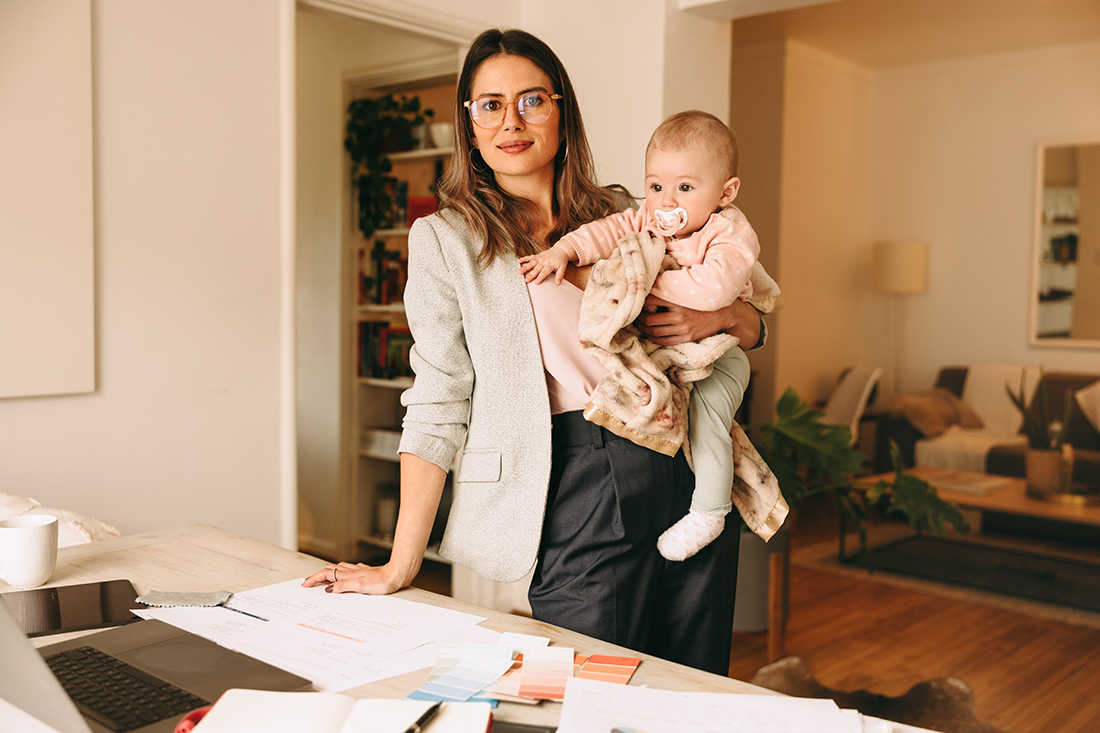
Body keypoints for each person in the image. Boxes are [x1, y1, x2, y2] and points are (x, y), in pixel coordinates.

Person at [303, 28, 774, 675]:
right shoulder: (445, 240)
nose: (511, 121)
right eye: (489, 104)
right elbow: (438, 397)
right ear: (468, 125)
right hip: (576, 474)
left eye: (532, 100)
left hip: (686, 458)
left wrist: (730, 315)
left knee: (692, 683)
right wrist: (400, 562)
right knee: (589, 689)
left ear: (562, 112)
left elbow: (748, 311)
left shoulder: (629, 212)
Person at [518, 110, 780, 562]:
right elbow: (609, 231)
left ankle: (710, 511)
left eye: (684, 187)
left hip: (720, 359)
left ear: (726, 192)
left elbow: (715, 290)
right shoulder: (647, 219)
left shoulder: (730, 232)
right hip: (662, 372)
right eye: (656, 186)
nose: (664, 201)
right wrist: (565, 249)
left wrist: (639, 283)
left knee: (708, 423)